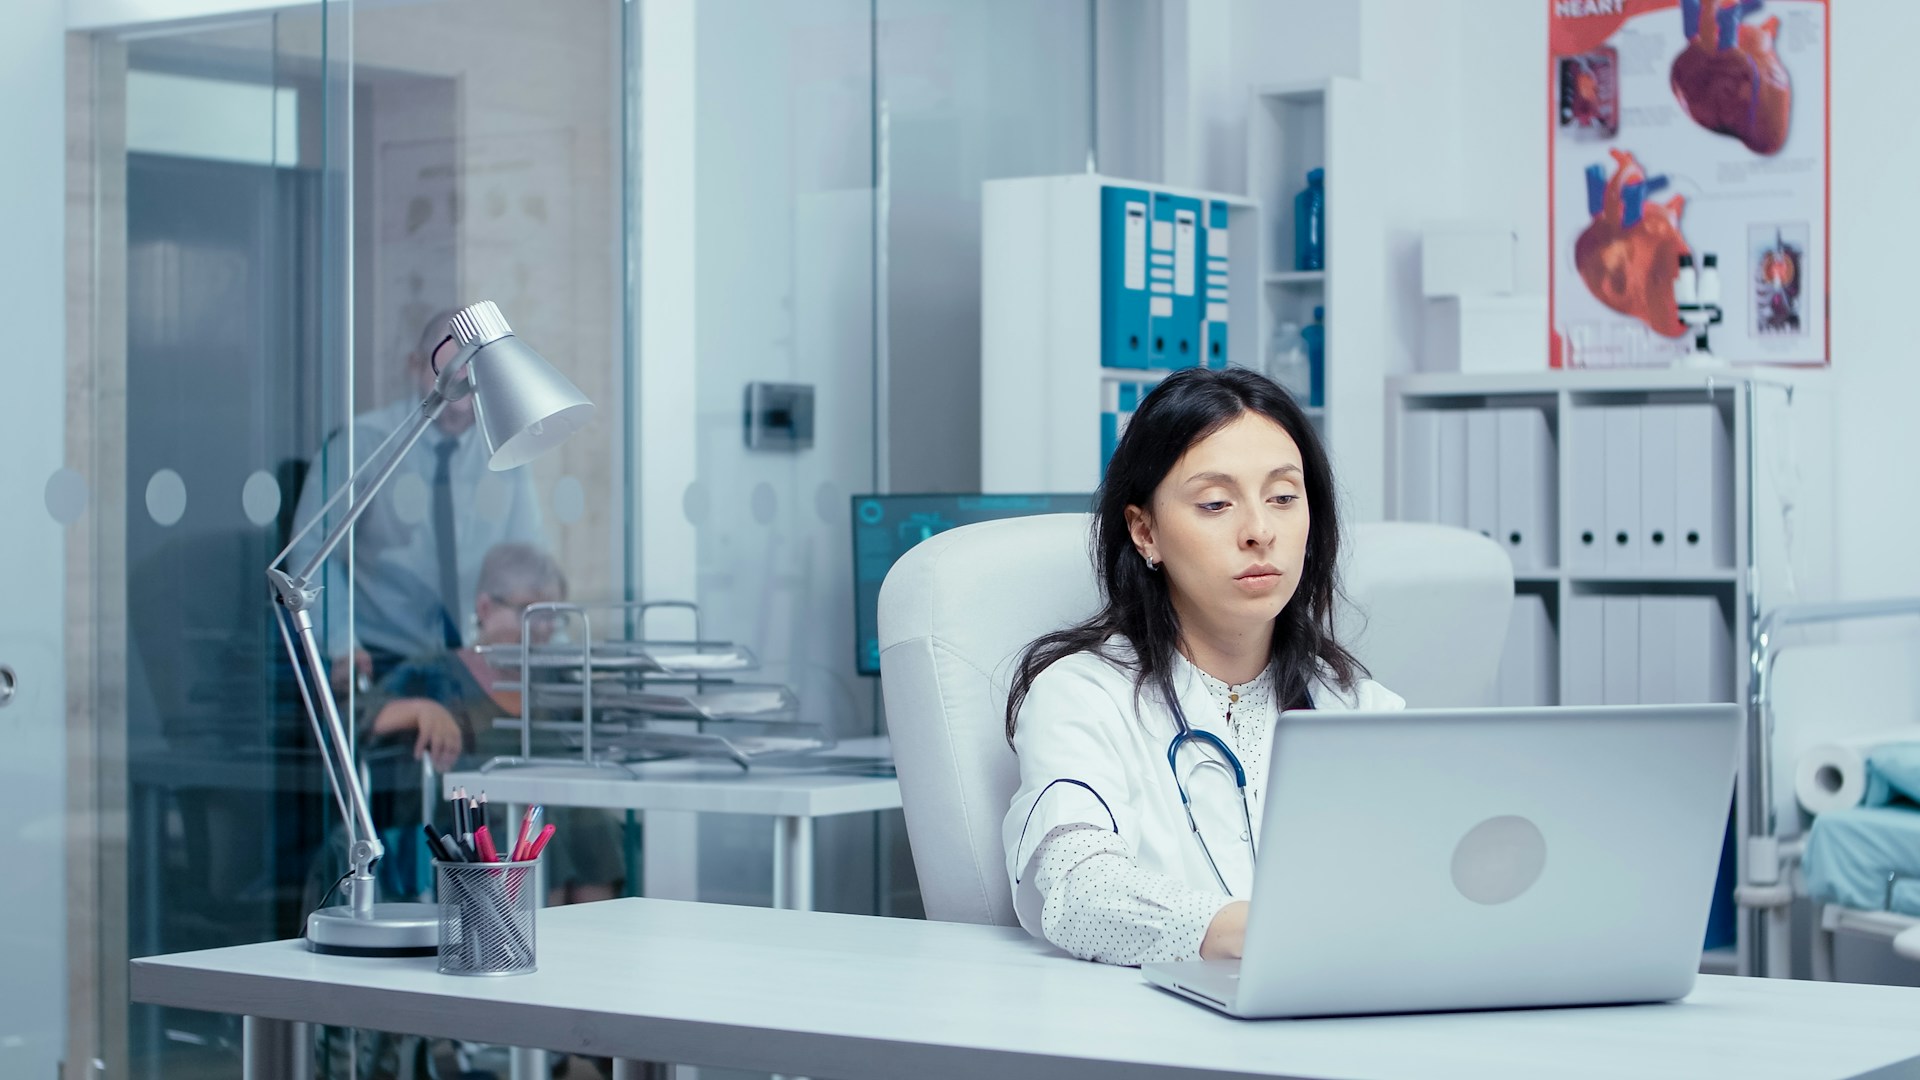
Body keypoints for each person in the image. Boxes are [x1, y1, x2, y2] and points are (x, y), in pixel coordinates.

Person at [1000, 366, 1403, 967]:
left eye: (1285, 498)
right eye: (1216, 503)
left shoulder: (1354, 705)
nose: (1260, 531)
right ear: (1145, 532)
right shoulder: (1081, 695)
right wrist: (1249, 931)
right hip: (1152, 1030)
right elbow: (1078, 891)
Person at [287, 309, 547, 688]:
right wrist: (343, 645)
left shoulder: (505, 454)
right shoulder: (365, 445)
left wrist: (543, 642)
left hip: (477, 664)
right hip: (381, 662)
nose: (465, 374)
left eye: (477, 363)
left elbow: (529, 563)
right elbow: (314, 556)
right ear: (415, 364)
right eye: (452, 359)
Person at [362, 541, 623, 904]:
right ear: (485, 607)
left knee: (595, 826)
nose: (545, 629)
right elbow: (357, 716)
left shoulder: (555, 679)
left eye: (553, 616)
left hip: (550, 817)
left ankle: (591, 950)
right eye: (530, 613)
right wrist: (421, 709)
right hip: (476, 828)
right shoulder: (436, 674)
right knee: (529, 833)